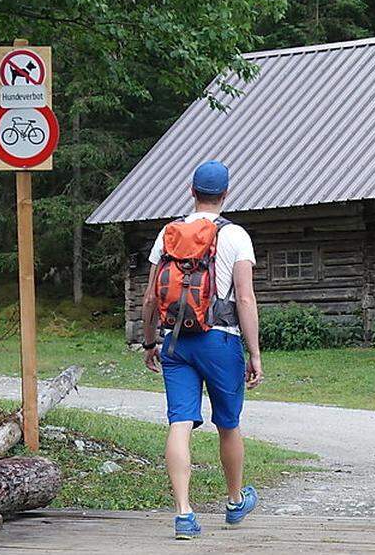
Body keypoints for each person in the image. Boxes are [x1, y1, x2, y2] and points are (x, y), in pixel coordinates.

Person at [141, 160, 264, 540]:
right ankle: (233, 501)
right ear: (225, 194)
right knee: (227, 424)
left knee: (180, 422)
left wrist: (150, 341)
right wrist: (255, 353)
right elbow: (244, 297)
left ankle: (183, 514)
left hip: (176, 342)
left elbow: (149, 297)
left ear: (191, 191)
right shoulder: (236, 236)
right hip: (220, 340)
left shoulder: (168, 233)